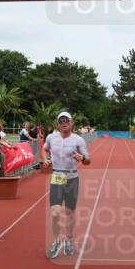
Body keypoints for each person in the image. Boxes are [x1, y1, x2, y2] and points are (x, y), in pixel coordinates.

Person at [43, 111, 90, 259]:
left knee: (69, 212)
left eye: (67, 121)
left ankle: (69, 239)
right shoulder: (51, 137)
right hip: (57, 177)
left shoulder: (78, 140)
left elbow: (88, 160)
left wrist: (82, 158)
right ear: (58, 124)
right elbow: (45, 149)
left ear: (72, 123)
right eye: (61, 121)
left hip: (72, 178)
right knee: (55, 212)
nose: (64, 123)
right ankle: (57, 241)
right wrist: (45, 159)